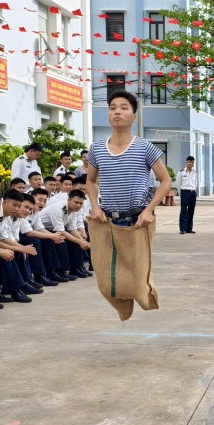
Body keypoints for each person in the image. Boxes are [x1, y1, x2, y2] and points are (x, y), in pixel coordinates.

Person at [85, 90, 171, 320]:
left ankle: (145, 295)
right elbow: (90, 181)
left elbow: (166, 181)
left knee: (135, 279)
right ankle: (124, 308)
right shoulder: (97, 148)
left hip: (136, 221)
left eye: (124, 107)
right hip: (106, 221)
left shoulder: (145, 148)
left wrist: (149, 210)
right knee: (105, 280)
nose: (117, 112)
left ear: (134, 116)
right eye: (113, 107)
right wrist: (94, 205)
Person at [178, 156, 198, 234]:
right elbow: (178, 184)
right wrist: (181, 194)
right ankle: (182, 229)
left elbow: (195, 183)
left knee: (191, 211)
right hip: (184, 192)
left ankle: (189, 228)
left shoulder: (195, 173)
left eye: (192, 162)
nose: (191, 163)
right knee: (183, 211)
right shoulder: (181, 172)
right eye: (189, 162)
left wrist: (194, 191)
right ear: (186, 162)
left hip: (192, 193)